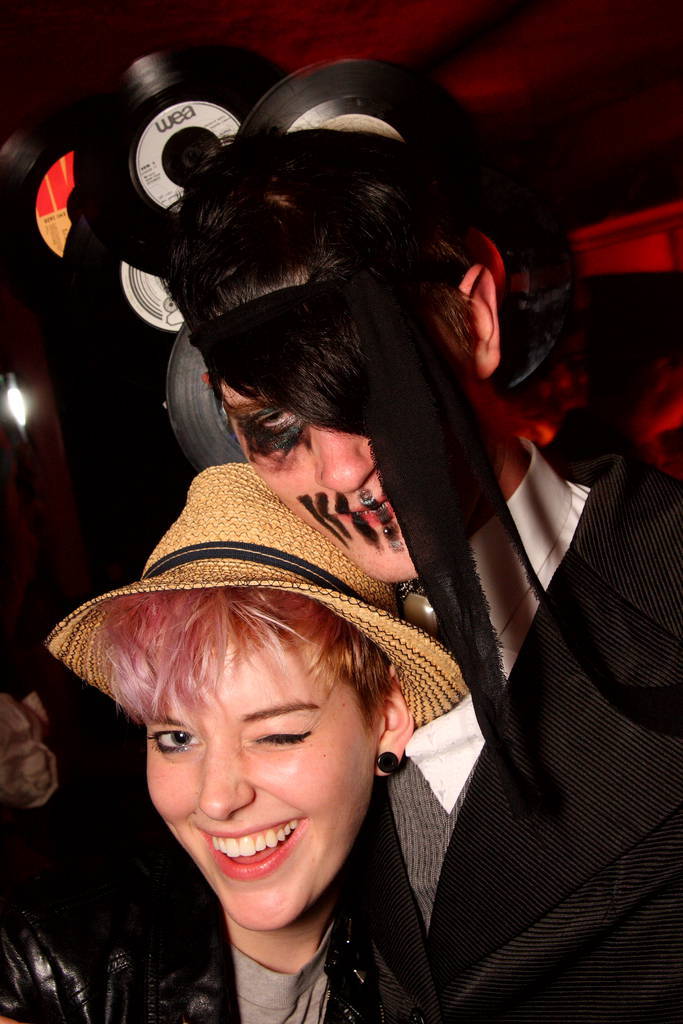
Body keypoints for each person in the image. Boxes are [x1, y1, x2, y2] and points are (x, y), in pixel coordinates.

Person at [164, 126, 683, 1020]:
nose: (341, 470)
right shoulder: (285, 646)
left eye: (376, 388)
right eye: (276, 425)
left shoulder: (665, 588)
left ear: (474, 321)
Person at [0, 462, 464, 1024]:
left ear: (387, 719)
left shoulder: (472, 951)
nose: (217, 799)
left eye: (276, 735)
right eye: (176, 737)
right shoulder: (44, 965)